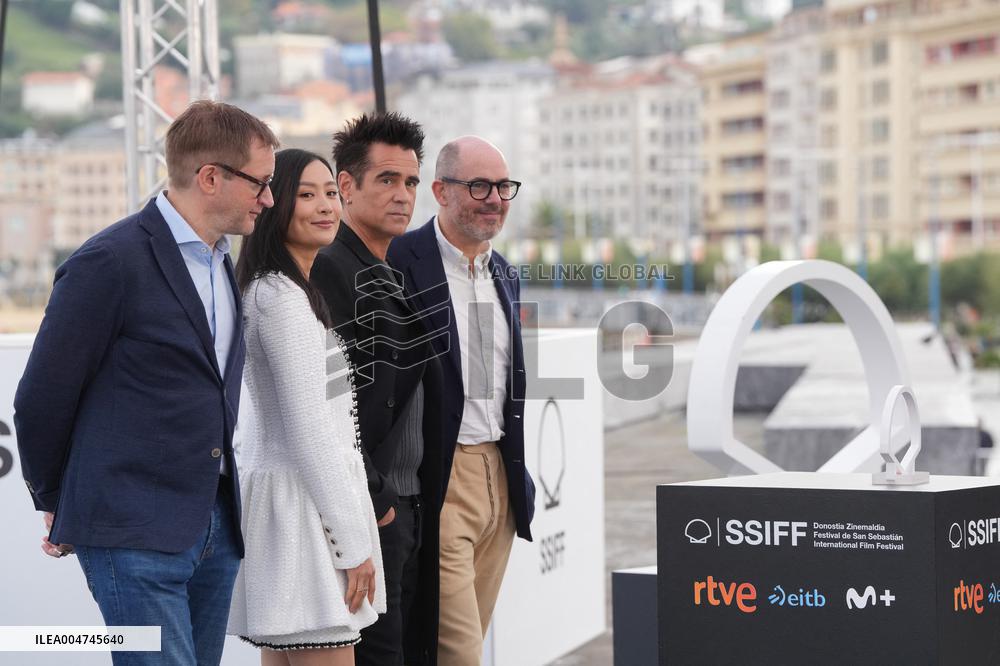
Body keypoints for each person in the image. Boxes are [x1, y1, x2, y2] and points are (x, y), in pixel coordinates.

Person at [13, 100, 278, 665]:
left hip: (215, 529)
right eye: (261, 183)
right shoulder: (109, 261)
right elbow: (41, 397)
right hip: (130, 530)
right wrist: (59, 500)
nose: (269, 199)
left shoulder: (222, 263)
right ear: (211, 177)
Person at [229, 148, 385, 664]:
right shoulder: (281, 300)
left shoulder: (283, 291)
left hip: (297, 509)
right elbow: (309, 430)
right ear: (274, 205)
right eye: (306, 194)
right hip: (304, 517)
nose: (326, 206)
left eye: (330, 194)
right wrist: (352, 544)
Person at [387, 136, 536, 666]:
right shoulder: (399, 262)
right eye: (478, 185)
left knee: (465, 645)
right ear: (440, 192)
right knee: (459, 654)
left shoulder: (504, 274)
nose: (494, 198)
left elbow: (493, 385)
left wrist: (516, 484)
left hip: (501, 482)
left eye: (502, 186)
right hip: (441, 481)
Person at [310, 113, 444, 666]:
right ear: (346, 186)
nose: (403, 195)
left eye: (411, 182)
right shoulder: (329, 270)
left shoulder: (389, 271)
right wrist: (379, 502)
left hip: (405, 507)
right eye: (387, 180)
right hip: (369, 511)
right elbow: (325, 407)